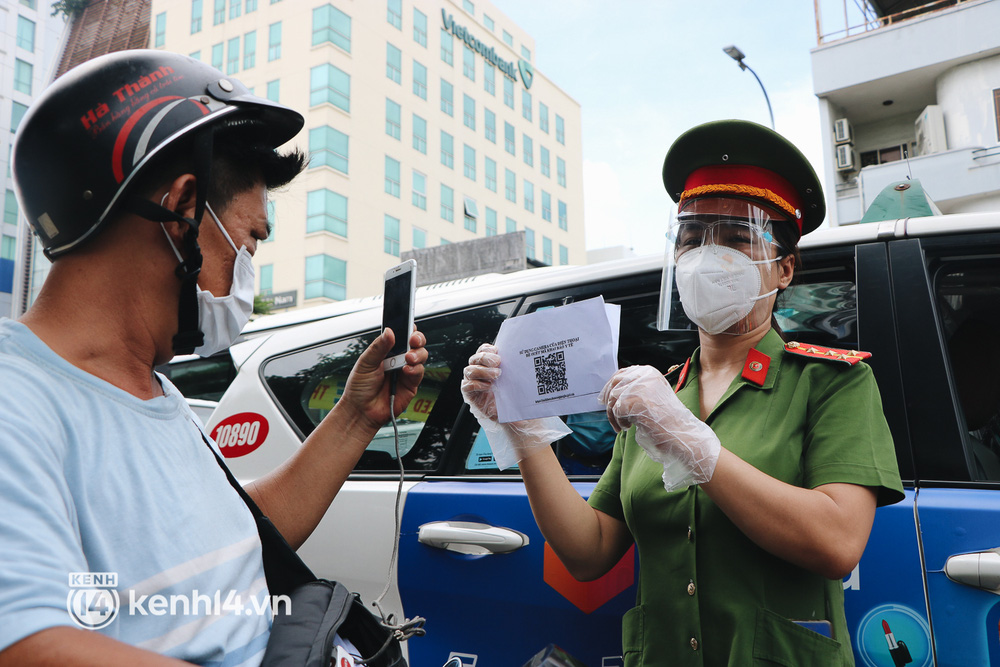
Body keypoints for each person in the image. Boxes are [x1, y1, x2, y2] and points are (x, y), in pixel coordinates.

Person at [0, 50, 426, 666]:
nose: (247, 269)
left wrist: (358, 416)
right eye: (248, 238)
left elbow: (234, 540)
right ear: (181, 206)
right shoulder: (17, 401)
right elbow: (28, 646)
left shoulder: (155, 392)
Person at [462, 120, 904, 666]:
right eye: (692, 239)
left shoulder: (831, 382)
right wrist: (524, 429)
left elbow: (837, 543)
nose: (706, 257)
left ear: (784, 268)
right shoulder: (654, 397)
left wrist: (697, 448)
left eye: (737, 238)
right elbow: (589, 551)